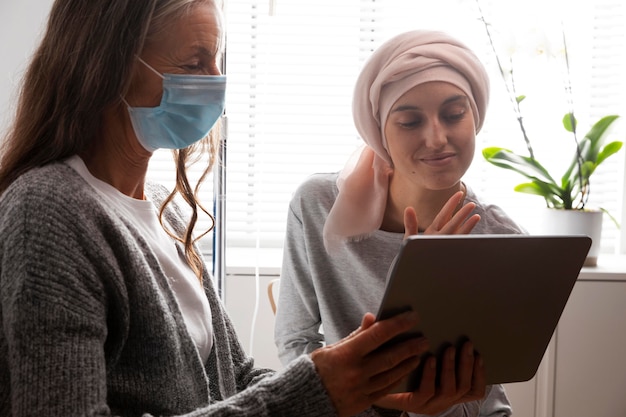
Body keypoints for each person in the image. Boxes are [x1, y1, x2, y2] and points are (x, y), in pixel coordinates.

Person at [0, 2, 488, 416]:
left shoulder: (164, 219)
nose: (217, 82)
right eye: (194, 64)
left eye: (216, 61)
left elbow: (235, 381)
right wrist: (319, 388)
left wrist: (375, 390)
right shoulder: (47, 212)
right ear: (107, 67)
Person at [274, 30, 525, 417]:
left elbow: (480, 387)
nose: (437, 138)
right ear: (380, 135)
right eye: (409, 121)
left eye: (454, 114)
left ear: (475, 117)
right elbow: (296, 342)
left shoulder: (499, 236)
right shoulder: (318, 205)